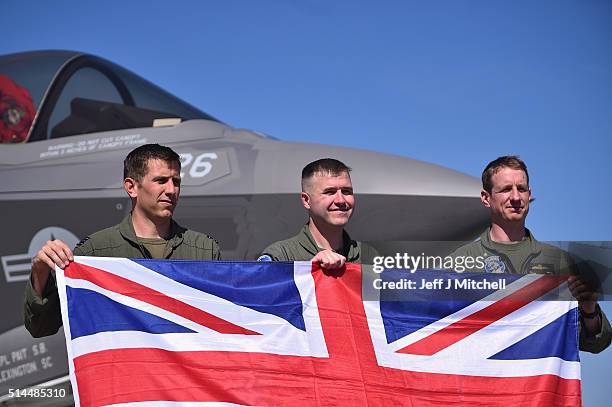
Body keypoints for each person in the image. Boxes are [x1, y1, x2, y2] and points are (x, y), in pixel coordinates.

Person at [24, 144, 221, 337]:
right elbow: (42, 327)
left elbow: (224, 322)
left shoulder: (204, 250)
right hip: (125, 369)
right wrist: (40, 272)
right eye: (161, 181)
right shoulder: (95, 251)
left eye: (176, 182)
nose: (171, 190)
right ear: (131, 187)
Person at [450, 155, 610, 353]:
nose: (516, 197)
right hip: (482, 379)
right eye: (506, 189)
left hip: (539, 380)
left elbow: (596, 344)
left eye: (522, 189)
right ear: (486, 198)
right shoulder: (460, 262)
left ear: (529, 194)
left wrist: (589, 310)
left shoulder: (559, 261)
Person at [258, 158, 377, 268]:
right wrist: (309, 271)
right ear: (306, 200)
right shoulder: (282, 256)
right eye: (330, 192)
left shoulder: (369, 257)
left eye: (346, 191)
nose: (341, 200)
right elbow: (255, 287)